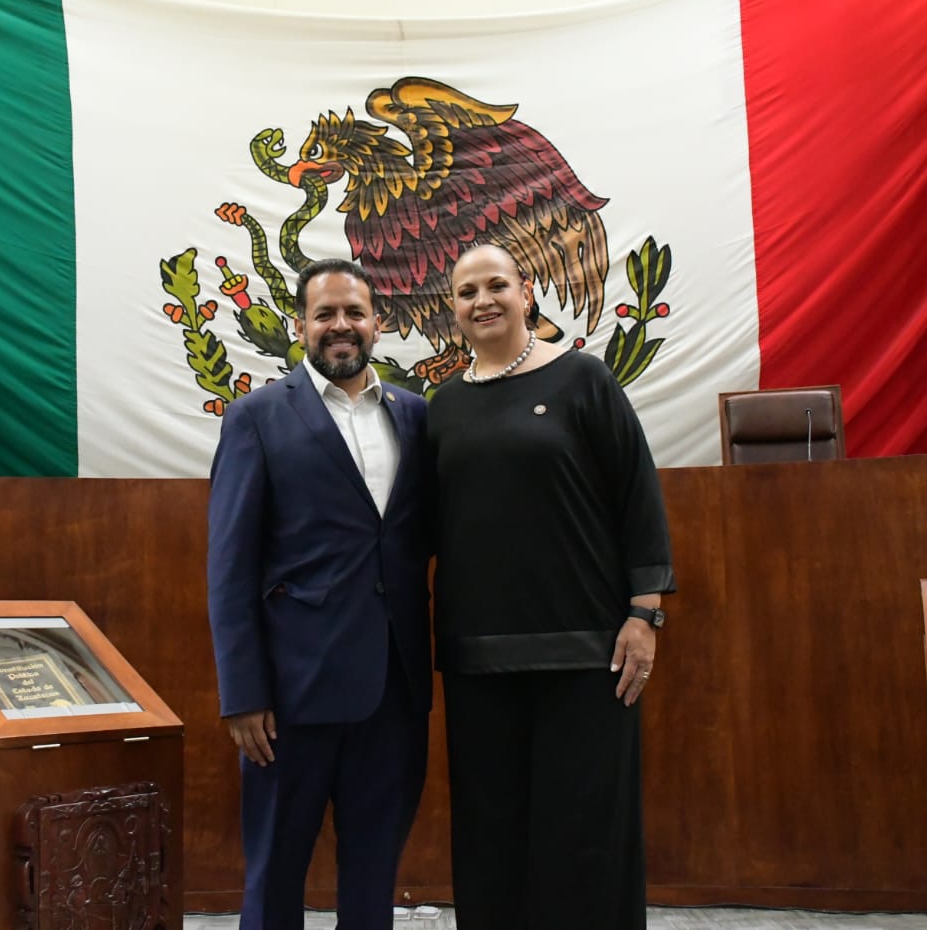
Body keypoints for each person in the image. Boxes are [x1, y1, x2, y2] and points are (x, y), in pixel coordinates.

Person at [427, 242, 676, 930]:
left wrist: (644, 616)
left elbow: (638, 499)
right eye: (467, 292)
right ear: (452, 309)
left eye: (496, 285)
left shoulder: (584, 380)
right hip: (478, 660)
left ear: (527, 292)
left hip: (587, 653)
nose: (483, 301)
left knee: (586, 840)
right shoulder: (441, 407)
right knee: (491, 842)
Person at [206, 259, 433, 930]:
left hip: (394, 695)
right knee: (274, 879)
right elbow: (230, 566)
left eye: (354, 313)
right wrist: (242, 693)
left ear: (377, 324)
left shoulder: (416, 416)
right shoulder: (256, 418)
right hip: (289, 700)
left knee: (373, 882)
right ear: (300, 325)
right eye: (325, 313)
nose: (341, 325)